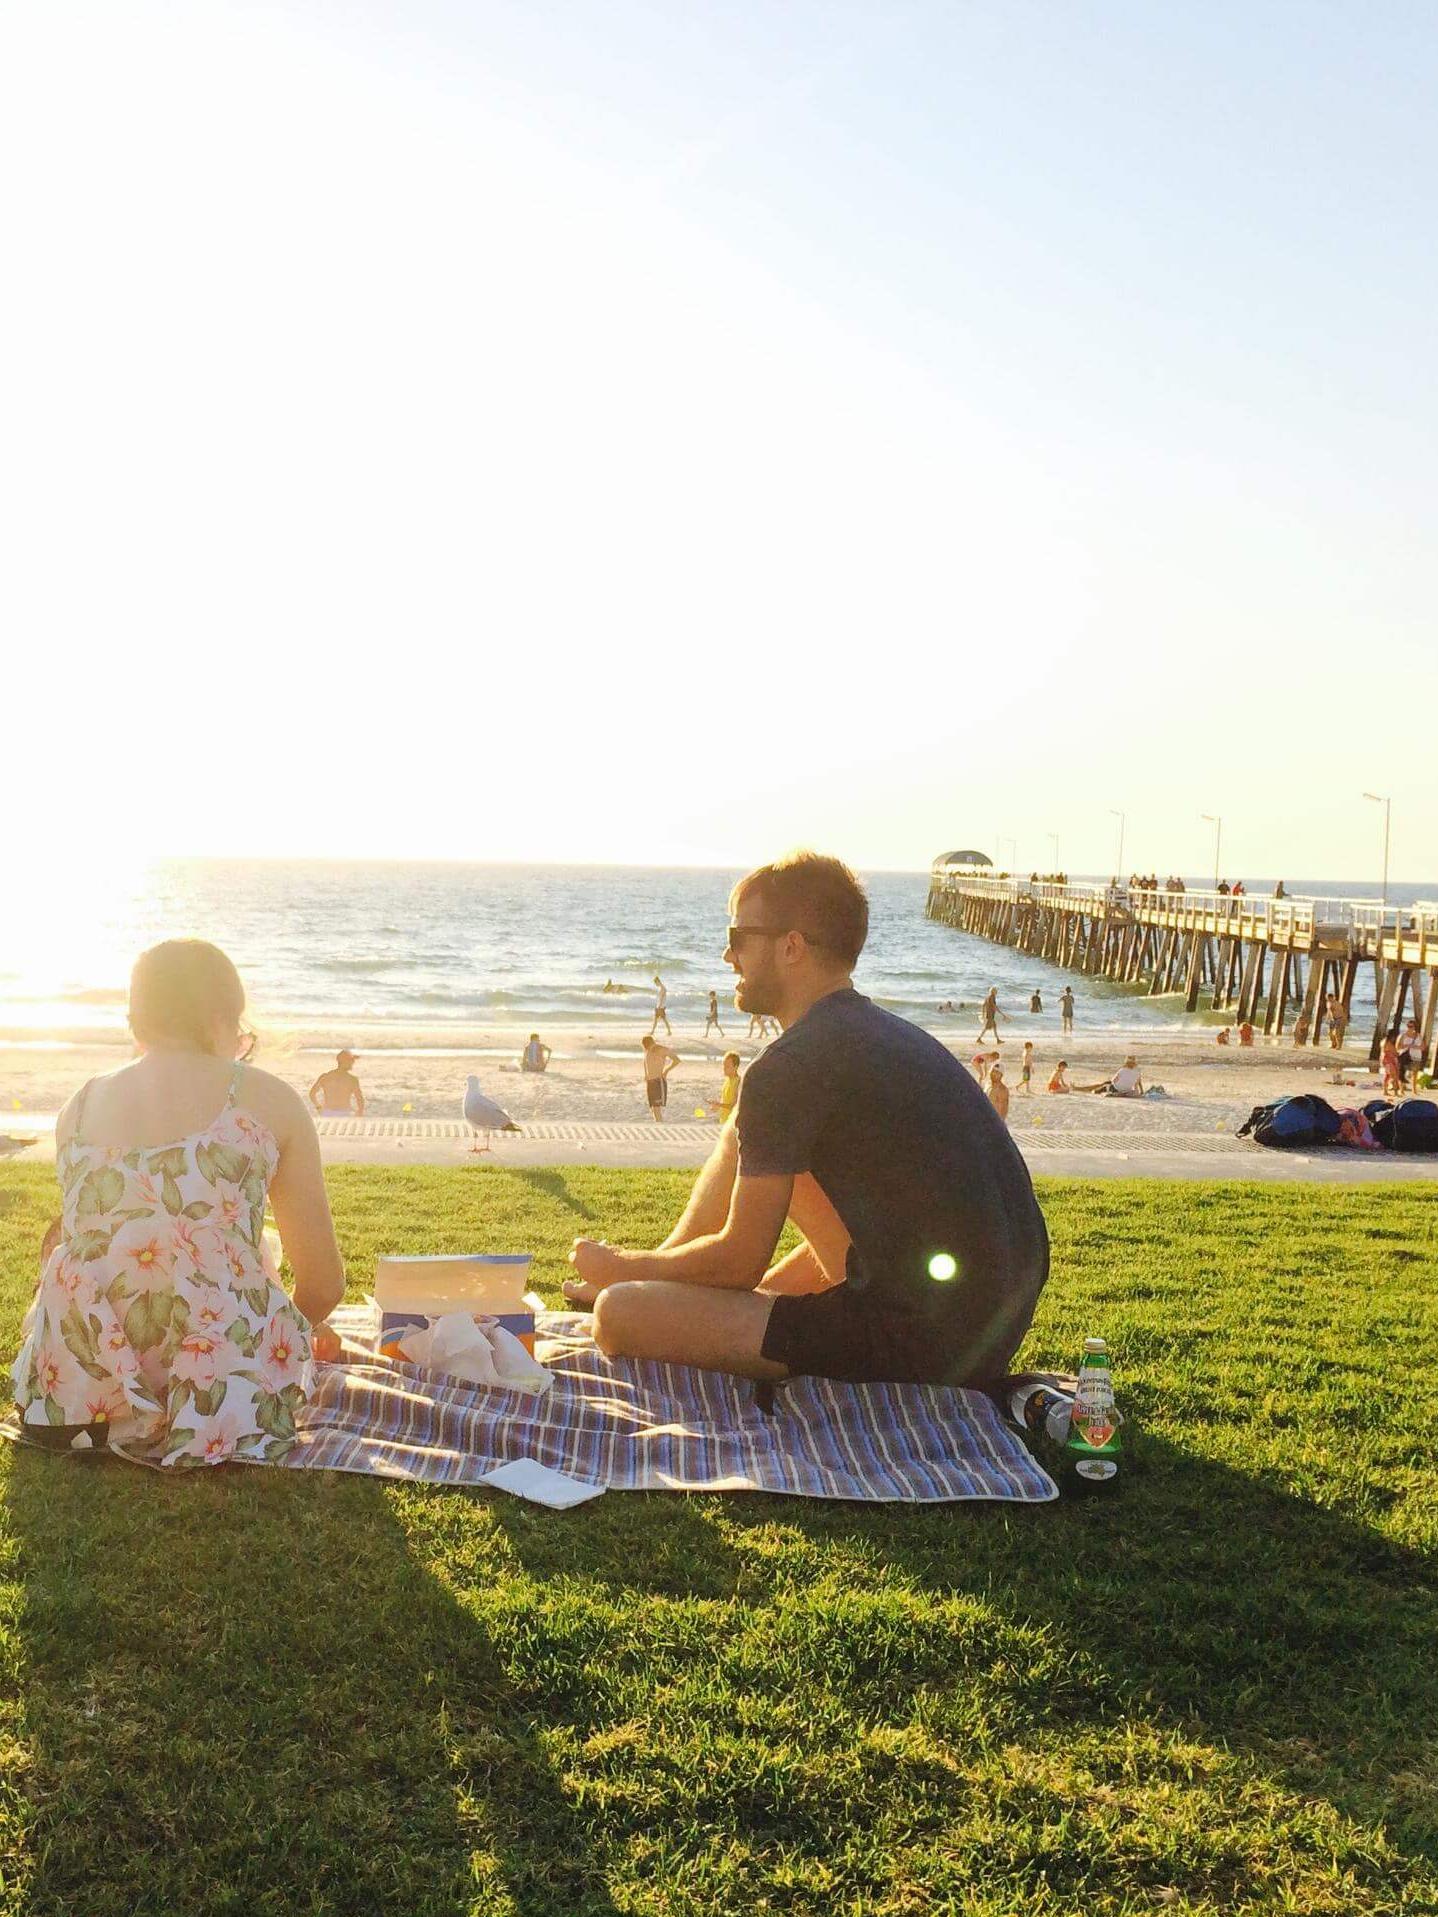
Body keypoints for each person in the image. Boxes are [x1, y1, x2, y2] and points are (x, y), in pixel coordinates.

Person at [563, 852, 1050, 1387]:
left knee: (618, 1313)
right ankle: (672, 1280)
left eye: (739, 936)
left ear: (791, 946)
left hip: (918, 1344)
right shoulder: (885, 1038)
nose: (729, 955)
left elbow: (737, 1263)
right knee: (743, 1131)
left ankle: (656, 1287)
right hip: (982, 1325)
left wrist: (623, 1268)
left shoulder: (791, 1067)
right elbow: (871, 1234)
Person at [10, 939, 346, 1466]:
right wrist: (270, 1341)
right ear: (222, 1018)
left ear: (136, 1020)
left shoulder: (79, 1105)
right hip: (219, 1403)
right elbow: (325, 1283)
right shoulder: (269, 1100)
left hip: (76, 1397)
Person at [309, 1049, 364, 1115]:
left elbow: (312, 1094)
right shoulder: (352, 1080)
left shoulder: (325, 1077)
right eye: (351, 1060)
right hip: (345, 1113)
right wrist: (360, 1112)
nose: (353, 1062)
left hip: (327, 1113)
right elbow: (359, 1099)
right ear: (344, 1062)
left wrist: (318, 1107)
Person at [641, 1033, 679, 1121]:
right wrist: (646, 1074)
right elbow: (645, 1062)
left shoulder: (661, 1049)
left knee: (656, 1108)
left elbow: (676, 1060)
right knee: (654, 1108)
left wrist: (666, 1070)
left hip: (658, 1081)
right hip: (650, 1082)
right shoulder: (647, 1051)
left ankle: (659, 1124)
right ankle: (658, 1124)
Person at [710, 1052, 742, 1122]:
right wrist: (717, 1106)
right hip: (723, 1121)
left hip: (732, 1123)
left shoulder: (738, 1082)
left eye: (727, 1066)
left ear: (735, 1067)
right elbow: (725, 1101)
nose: (724, 1068)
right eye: (724, 1065)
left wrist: (719, 1105)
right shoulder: (727, 1080)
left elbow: (735, 1106)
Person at [1398, 1019, 1426, 1091]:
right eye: (1408, 1026)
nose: (1409, 1028)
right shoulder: (1403, 1035)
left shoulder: (1418, 1035)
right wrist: (1407, 1045)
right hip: (1405, 1056)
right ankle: (1401, 1089)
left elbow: (1423, 1047)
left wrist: (1414, 1046)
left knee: (1415, 1073)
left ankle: (1414, 1089)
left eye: (1411, 1026)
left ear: (1414, 1027)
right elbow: (1398, 1046)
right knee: (1403, 1072)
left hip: (1416, 1056)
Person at [1381, 1036, 1402, 1100]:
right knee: (1394, 1077)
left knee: (1387, 1076)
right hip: (1390, 1061)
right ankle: (1395, 1092)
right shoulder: (1389, 1043)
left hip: (1386, 1060)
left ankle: (1385, 1091)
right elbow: (1395, 1052)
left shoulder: (1383, 1042)